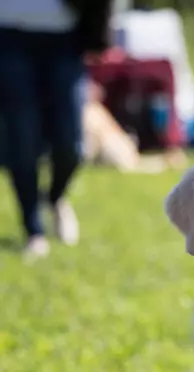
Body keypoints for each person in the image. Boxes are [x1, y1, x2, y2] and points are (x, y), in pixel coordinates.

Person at [0, 0, 113, 258]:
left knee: (71, 145)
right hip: (7, 37)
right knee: (22, 136)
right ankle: (33, 230)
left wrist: (99, 35)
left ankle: (55, 197)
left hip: (64, 40)